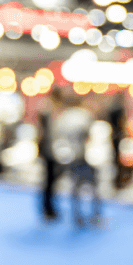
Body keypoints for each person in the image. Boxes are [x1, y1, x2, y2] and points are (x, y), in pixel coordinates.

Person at [53, 93, 101, 228]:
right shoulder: (84, 115)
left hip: (70, 157)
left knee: (76, 186)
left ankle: (78, 216)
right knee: (91, 187)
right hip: (83, 157)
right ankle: (95, 216)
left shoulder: (63, 117)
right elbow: (91, 135)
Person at [38, 90, 62, 223]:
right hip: (49, 151)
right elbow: (45, 133)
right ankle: (47, 209)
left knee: (51, 180)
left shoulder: (51, 110)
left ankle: (49, 207)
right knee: (49, 180)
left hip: (52, 150)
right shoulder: (48, 110)